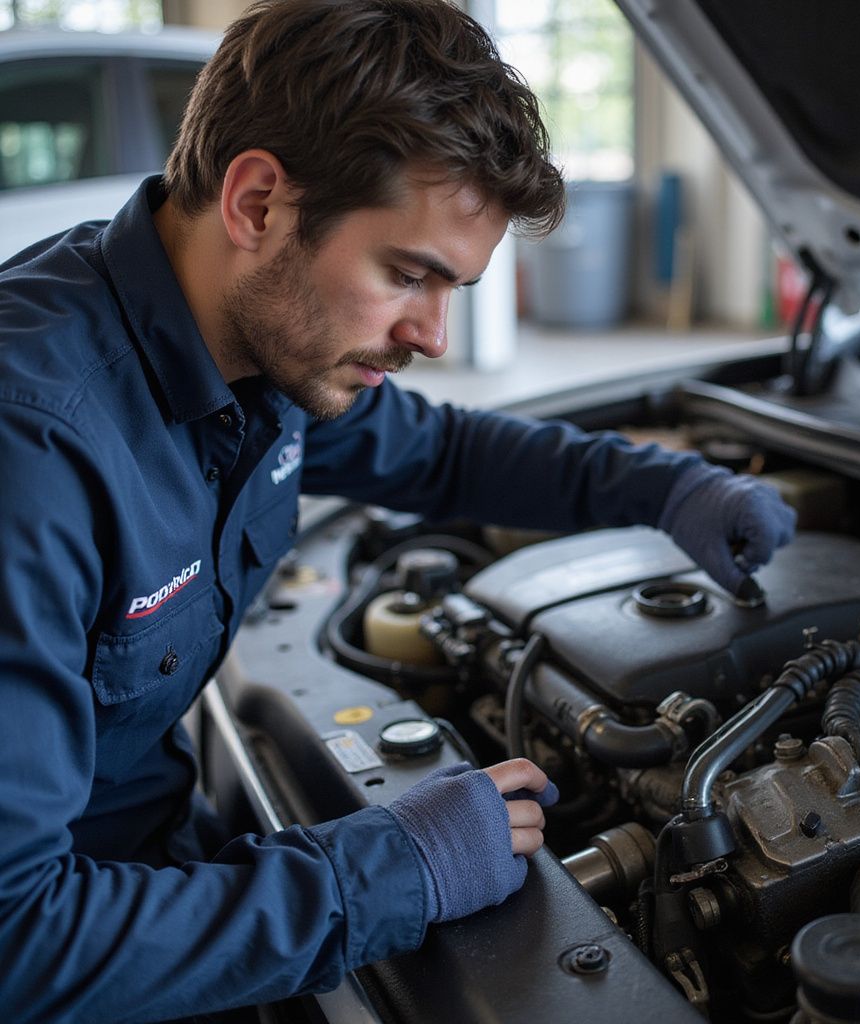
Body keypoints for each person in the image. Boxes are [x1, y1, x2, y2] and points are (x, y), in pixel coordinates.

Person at [0, 1, 795, 1021]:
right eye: (407, 274)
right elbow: (19, 939)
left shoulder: (257, 350)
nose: (431, 333)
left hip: (161, 858)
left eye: (453, 286)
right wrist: (384, 872)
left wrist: (662, 485)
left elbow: (444, 449)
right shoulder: (34, 450)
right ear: (256, 203)